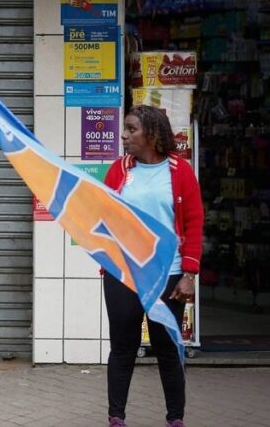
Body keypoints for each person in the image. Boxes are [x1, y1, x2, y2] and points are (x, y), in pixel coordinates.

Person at [102, 105, 204, 427]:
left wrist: (189, 274)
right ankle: (116, 417)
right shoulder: (119, 170)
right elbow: (104, 218)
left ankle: (175, 418)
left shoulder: (180, 171)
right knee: (123, 347)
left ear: (152, 134)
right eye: (125, 129)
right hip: (124, 274)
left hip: (167, 274)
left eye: (131, 129)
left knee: (168, 348)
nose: (124, 135)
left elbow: (194, 221)